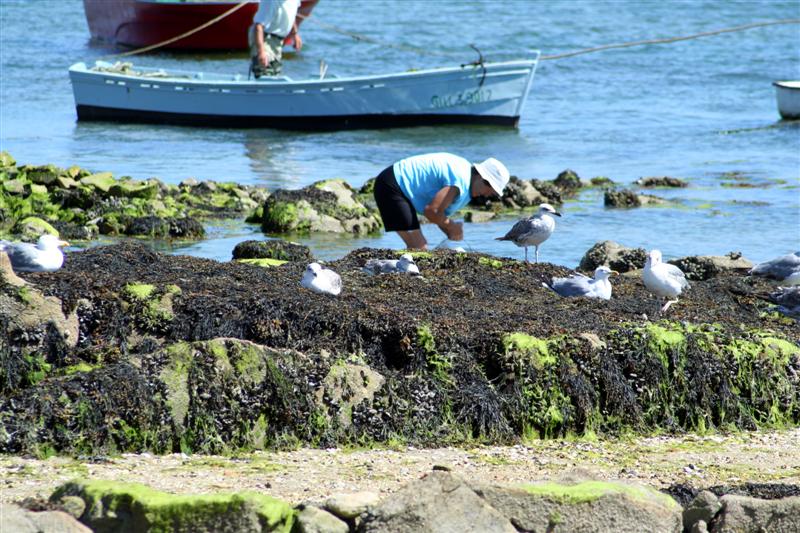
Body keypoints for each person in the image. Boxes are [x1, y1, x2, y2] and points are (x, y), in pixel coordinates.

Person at [373, 152, 510, 250]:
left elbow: (439, 214)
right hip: (392, 185)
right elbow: (432, 211)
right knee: (418, 247)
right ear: (479, 175)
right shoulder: (459, 181)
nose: (487, 194)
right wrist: (451, 226)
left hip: (398, 185)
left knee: (418, 248)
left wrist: (451, 232)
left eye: (493, 193)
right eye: (488, 185)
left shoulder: (466, 181)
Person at [249, 0, 303, 78]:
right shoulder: (271, 2)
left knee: (275, 72)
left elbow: (291, 13)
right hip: (265, 39)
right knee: (265, 74)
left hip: (278, 42)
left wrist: (294, 34)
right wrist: (261, 51)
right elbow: (259, 26)